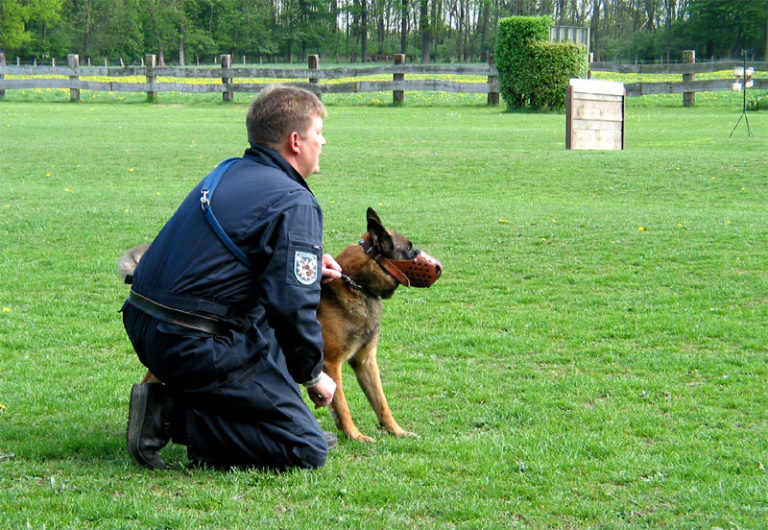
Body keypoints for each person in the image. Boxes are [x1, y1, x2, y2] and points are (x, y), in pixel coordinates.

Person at [122, 85, 342, 471]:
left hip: (146, 323)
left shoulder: (228, 171)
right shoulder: (294, 199)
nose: (323, 142)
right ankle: (173, 416)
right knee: (305, 450)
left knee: (262, 321)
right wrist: (312, 375)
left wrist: (299, 264)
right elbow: (291, 306)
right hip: (191, 341)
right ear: (295, 141)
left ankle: (268, 421)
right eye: (318, 133)